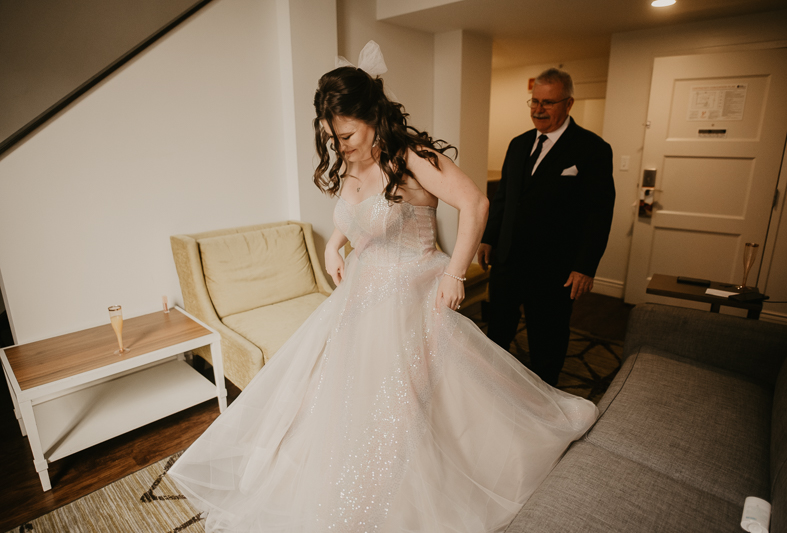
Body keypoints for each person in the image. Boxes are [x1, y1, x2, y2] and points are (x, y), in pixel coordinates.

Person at [168, 43, 598, 533]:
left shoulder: (413, 157)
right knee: (343, 402)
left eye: (347, 134)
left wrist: (455, 273)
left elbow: (475, 205)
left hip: (412, 290)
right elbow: (358, 216)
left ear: (373, 115)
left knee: (409, 403)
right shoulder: (353, 162)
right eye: (333, 138)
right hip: (361, 296)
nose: (341, 145)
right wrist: (335, 247)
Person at [478, 68, 615, 387]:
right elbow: (504, 198)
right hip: (508, 259)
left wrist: (585, 267)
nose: (538, 109)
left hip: (554, 268)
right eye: (534, 101)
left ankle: (544, 399)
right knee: (496, 331)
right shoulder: (518, 144)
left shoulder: (592, 149)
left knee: (547, 339)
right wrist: (489, 238)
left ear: (569, 104)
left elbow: (600, 212)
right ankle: (489, 389)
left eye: (548, 103)